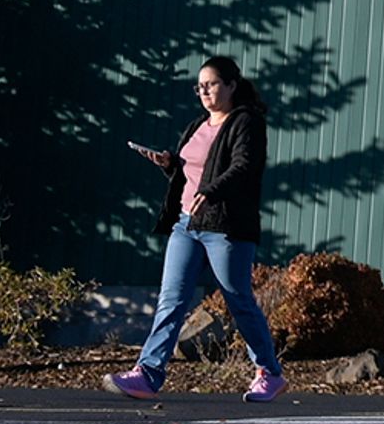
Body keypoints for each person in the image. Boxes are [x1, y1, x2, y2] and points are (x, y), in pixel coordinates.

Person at [109, 55, 288, 401]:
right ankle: (147, 374)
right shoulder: (196, 125)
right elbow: (190, 171)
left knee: (238, 299)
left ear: (232, 85)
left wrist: (211, 190)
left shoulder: (245, 123)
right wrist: (168, 165)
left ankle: (269, 372)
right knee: (171, 300)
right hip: (186, 224)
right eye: (199, 86)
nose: (204, 91)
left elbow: (244, 167)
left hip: (227, 227)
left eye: (211, 84)